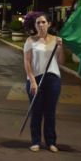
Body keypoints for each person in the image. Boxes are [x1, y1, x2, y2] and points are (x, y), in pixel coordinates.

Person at [23, 12, 65, 153]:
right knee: (36, 111)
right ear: (35, 25)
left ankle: (51, 142)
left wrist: (60, 48)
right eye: (38, 23)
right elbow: (27, 62)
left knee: (50, 112)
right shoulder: (30, 40)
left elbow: (61, 62)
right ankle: (35, 141)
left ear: (49, 24)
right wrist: (33, 81)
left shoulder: (56, 40)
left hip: (53, 78)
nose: (40, 25)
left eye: (43, 22)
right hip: (35, 79)